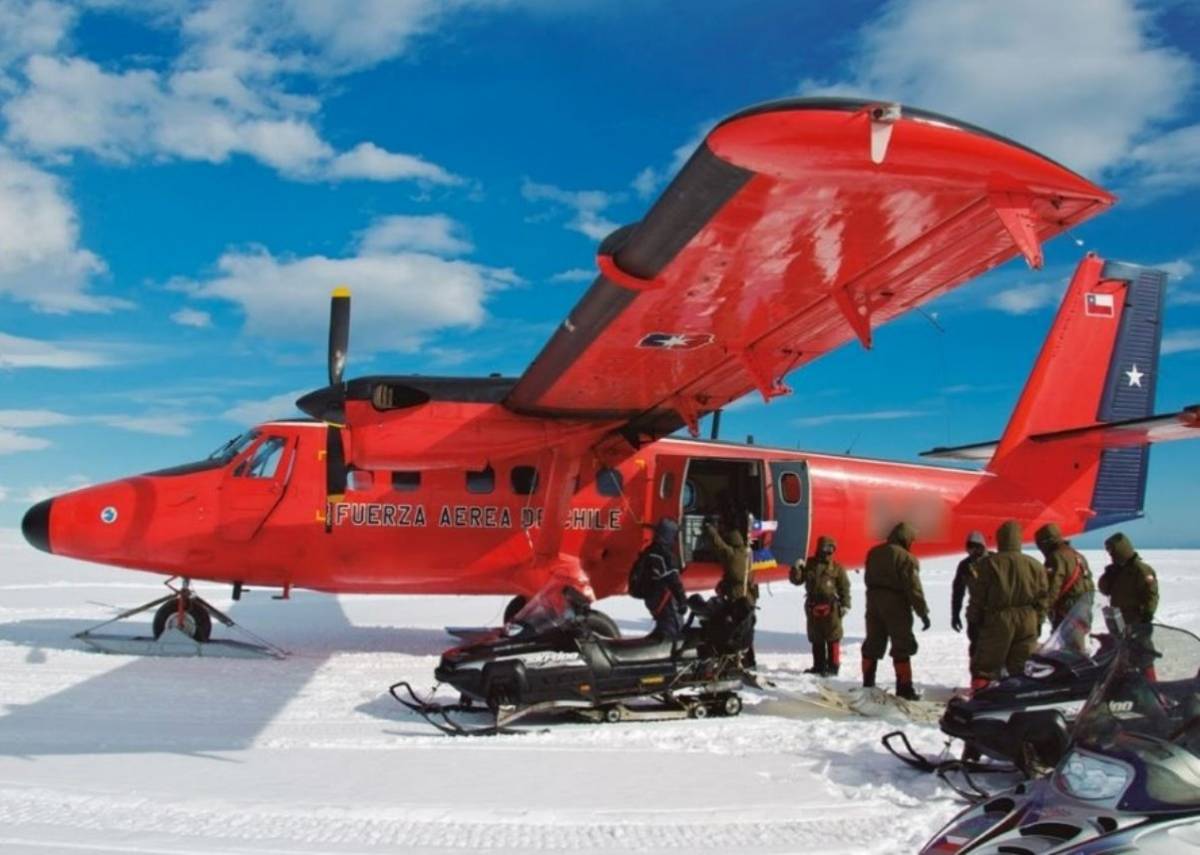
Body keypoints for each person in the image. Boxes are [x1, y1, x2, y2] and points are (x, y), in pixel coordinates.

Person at [967, 520, 1048, 689]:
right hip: (1028, 619)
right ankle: (1019, 699)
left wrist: (973, 619)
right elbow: (1042, 598)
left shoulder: (989, 564)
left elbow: (978, 597)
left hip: (999, 619)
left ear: (1000, 539)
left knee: (986, 665)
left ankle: (980, 699)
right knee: (1021, 665)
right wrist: (1038, 620)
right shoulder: (1035, 565)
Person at [861, 522, 929, 701]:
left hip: (873, 602)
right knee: (901, 644)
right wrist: (923, 612)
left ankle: (867, 684)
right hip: (896, 604)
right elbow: (913, 588)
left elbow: (867, 578)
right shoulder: (906, 558)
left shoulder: (874, 553)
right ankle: (904, 689)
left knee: (873, 642)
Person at [790, 535, 851, 676]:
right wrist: (796, 569)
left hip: (831, 608)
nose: (828, 551)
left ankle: (833, 667)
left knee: (833, 636)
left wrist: (845, 604)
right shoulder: (809, 564)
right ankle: (819, 666)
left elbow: (844, 587)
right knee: (816, 637)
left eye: (831, 548)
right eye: (826, 547)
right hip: (813, 605)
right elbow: (796, 580)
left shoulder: (836, 568)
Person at [706, 510, 758, 669]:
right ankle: (750, 660)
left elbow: (718, 545)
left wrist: (710, 529)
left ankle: (732, 661)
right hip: (749, 597)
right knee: (747, 629)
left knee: (733, 631)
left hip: (737, 599)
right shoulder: (748, 554)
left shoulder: (732, 555)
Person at [1035, 522, 1095, 630]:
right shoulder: (1078, 555)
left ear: (1046, 542)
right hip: (1083, 607)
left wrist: (1043, 610)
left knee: (1063, 643)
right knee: (1077, 641)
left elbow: (1054, 586)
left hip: (1067, 610)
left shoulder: (1056, 557)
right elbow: (1090, 584)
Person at [636, 517, 687, 640]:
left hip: (652, 599)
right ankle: (664, 655)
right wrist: (682, 601)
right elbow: (673, 580)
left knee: (664, 626)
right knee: (673, 631)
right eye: (674, 535)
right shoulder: (664, 554)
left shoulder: (649, 551)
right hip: (664, 599)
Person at [1099, 532, 1158, 628]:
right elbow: (1104, 590)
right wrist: (1107, 576)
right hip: (1118, 618)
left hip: (1137, 620)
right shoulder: (1116, 570)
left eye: (1111, 550)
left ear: (1120, 550)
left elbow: (1151, 594)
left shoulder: (1141, 570)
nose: (1110, 554)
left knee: (1139, 643)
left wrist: (1147, 614)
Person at [950, 531, 989, 661]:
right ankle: (978, 679)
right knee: (976, 649)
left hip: (995, 613)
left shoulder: (994, 561)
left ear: (982, 546)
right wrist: (955, 614)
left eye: (975, 547)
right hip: (975, 615)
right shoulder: (965, 566)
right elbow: (958, 592)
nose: (972, 551)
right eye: (969, 547)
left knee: (996, 649)